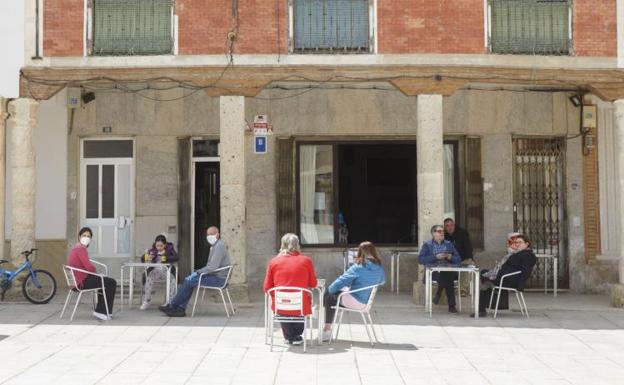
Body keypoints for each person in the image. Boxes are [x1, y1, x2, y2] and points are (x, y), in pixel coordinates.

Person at [160, 226, 231, 317]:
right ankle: (179, 308)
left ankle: (174, 306)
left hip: (219, 279)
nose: (209, 237)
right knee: (188, 281)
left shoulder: (219, 246)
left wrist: (198, 272)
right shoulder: (216, 246)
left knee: (189, 281)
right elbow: (211, 267)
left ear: (217, 235)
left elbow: (212, 267)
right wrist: (198, 273)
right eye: (207, 234)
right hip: (215, 276)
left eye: (211, 234)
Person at [322, 241, 385, 341]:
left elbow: (338, 283)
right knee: (334, 293)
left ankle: (326, 329)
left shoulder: (358, 267)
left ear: (360, 252)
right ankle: (324, 311)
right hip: (366, 302)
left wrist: (329, 290)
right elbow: (382, 281)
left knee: (329, 295)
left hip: (355, 301)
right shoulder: (379, 267)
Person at [264, 233, 317, 346]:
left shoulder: (273, 262)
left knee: (284, 306)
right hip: (301, 306)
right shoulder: (306, 261)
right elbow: (313, 283)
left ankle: (290, 336)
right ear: (297, 245)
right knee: (300, 303)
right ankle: (294, 336)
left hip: (281, 306)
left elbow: (267, 288)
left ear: (282, 245)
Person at [473, 233, 537, 317]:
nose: (517, 244)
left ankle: (483, 308)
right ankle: (486, 304)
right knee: (484, 275)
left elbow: (526, 271)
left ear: (526, 244)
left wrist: (521, 285)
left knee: (485, 282)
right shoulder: (518, 253)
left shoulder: (529, 255)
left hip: (509, 279)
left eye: (520, 242)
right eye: (516, 242)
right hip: (504, 277)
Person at [66, 227, 117, 321]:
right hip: (81, 283)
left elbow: (85, 266)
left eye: (88, 236)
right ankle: (102, 312)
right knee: (111, 282)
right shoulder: (81, 249)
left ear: (90, 239)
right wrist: (97, 274)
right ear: (79, 236)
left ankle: (102, 311)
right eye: (84, 235)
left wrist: (96, 275)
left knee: (104, 282)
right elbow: (89, 267)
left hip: (75, 282)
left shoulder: (75, 248)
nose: (86, 238)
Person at [418, 224, 461, 313]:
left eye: (443, 231)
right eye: (439, 231)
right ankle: (451, 305)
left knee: (447, 273)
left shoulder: (449, 244)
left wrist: (450, 257)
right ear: (433, 233)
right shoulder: (427, 245)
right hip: (433, 273)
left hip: (448, 271)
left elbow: (458, 259)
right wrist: (436, 257)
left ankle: (439, 293)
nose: (442, 233)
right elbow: (420, 260)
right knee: (447, 276)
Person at [140, 234, 179, 310]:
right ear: (155, 244)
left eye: (161, 246)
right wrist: (147, 256)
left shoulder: (170, 250)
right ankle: (146, 300)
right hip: (155, 271)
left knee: (172, 280)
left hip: (166, 271)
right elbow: (142, 259)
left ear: (165, 245)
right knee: (149, 278)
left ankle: (170, 301)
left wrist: (166, 258)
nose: (159, 248)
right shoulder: (152, 251)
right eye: (157, 245)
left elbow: (176, 257)